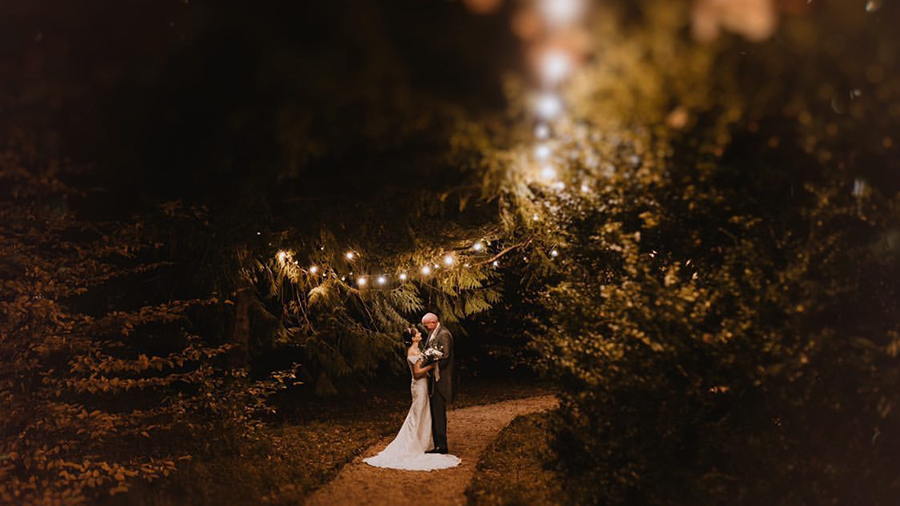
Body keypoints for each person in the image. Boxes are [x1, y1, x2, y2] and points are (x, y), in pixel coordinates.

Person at [362, 327, 460, 471]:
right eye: (418, 333)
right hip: (419, 387)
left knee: (424, 414)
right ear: (413, 338)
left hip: (423, 386)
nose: (420, 334)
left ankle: (424, 442)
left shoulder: (418, 349)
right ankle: (413, 443)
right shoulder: (413, 352)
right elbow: (417, 373)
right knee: (417, 414)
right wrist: (432, 366)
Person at [421, 312, 454, 454]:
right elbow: (429, 350)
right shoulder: (433, 333)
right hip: (433, 379)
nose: (425, 328)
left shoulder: (444, 334)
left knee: (439, 412)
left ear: (434, 322)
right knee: (435, 411)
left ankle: (442, 445)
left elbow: (445, 357)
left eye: (426, 325)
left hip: (441, 379)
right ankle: (437, 443)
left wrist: (431, 365)